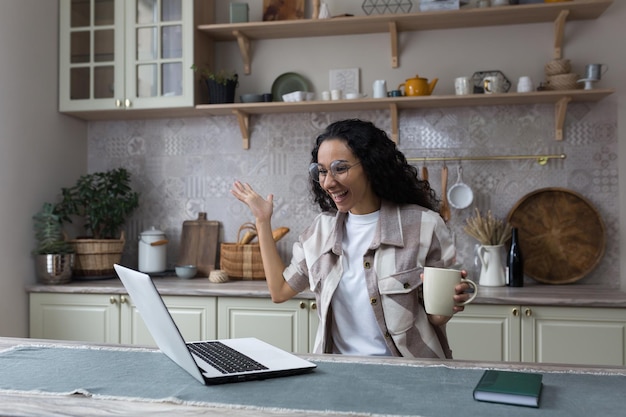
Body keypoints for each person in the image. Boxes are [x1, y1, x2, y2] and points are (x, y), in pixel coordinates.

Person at [231, 119, 472, 359]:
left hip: (410, 373)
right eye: (322, 171)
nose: (328, 182)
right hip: (341, 372)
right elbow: (280, 291)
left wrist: (450, 302)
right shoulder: (320, 231)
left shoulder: (424, 225)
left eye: (340, 168)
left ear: (371, 166)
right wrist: (262, 220)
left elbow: (436, 317)